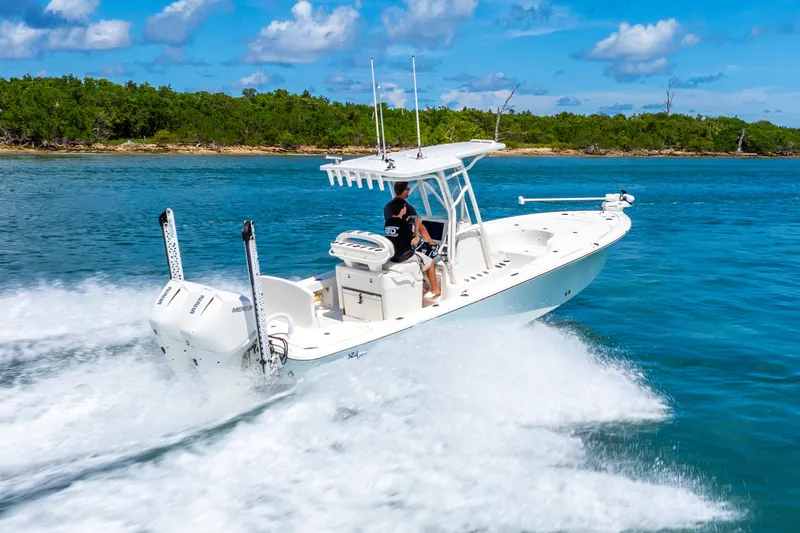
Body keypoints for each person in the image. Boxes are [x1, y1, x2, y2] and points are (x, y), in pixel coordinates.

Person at [385, 198, 441, 297]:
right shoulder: (403, 225)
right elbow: (416, 240)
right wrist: (417, 225)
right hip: (404, 257)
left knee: (419, 257)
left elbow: (397, 235)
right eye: (405, 207)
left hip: (393, 256)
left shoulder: (388, 222)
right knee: (429, 261)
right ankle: (435, 289)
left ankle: (422, 287)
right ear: (402, 210)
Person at [383, 181, 436, 247]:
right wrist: (430, 241)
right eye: (408, 189)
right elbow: (420, 228)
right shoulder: (408, 208)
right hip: (404, 246)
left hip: (392, 246)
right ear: (405, 191)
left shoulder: (387, 206)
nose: (408, 191)